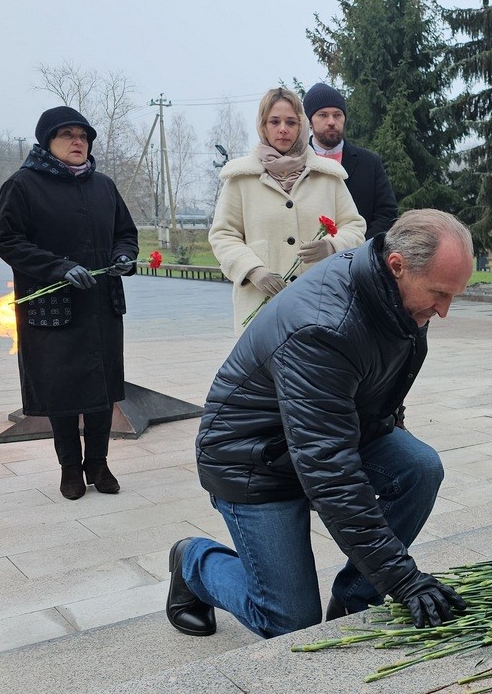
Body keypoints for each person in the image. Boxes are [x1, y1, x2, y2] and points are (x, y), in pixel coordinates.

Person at [165, 210, 473, 639]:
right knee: (289, 622)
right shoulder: (325, 326)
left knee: (419, 468)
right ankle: (194, 562)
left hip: (319, 437)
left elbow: (380, 391)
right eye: (440, 294)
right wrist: (402, 578)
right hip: (255, 461)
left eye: (454, 295)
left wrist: (380, 574)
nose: (444, 311)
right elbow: (330, 469)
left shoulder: (397, 299)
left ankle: (355, 598)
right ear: (397, 265)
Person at [0, 106, 138, 500]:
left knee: (103, 388)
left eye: (84, 136)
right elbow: (6, 238)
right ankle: (70, 468)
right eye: (68, 134)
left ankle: (99, 463)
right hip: (54, 309)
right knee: (63, 390)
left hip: (101, 306)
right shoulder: (23, 185)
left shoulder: (103, 185)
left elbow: (126, 232)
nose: (78, 141)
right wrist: (58, 267)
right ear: (47, 142)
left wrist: (124, 256)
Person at [210, 88, 366, 335]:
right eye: (274, 121)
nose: (283, 128)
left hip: (321, 307)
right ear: (263, 124)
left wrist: (332, 245)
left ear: (302, 125)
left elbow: (355, 226)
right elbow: (223, 235)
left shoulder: (328, 176)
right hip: (261, 309)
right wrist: (253, 270)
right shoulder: (240, 178)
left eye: (291, 122)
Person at [303, 82, 398, 239]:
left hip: (362, 257)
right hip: (312, 258)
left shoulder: (369, 162)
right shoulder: (297, 163)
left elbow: (387, 213)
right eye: (323, 115)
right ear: (309, 122)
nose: (332, 121)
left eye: (337, 115)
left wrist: (361, 249)